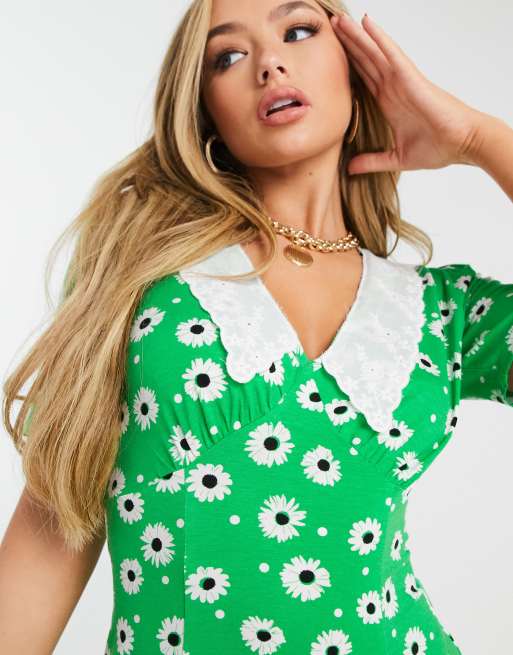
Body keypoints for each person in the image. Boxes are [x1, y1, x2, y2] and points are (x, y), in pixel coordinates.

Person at [1, 1, 512, 653]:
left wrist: (480, 140)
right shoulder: (144, 268)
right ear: (205, 109)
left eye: (297, 31)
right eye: (228, 57)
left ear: (354, 68)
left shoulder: (441, 311)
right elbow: (55, 516)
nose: (269, 63)